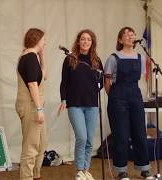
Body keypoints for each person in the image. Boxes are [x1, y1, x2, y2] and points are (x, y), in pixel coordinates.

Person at [104, 26, 154, 180]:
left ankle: (144, 168)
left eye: (131, 34)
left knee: (139, 132)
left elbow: (140, 77)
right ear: (120, 40)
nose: (129, 35)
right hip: (118, 97)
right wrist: (114, 97)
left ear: (134, 38)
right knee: (121, 134)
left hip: (135, 96)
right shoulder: (113, 58)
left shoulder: (141, 57)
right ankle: (121, 170)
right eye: (125, 34)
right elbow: (107, 81)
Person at [58, 29, 103, 180]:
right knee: (82, 137)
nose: (85, 42)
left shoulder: (96, 61)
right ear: (78, 41)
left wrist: (95, 85)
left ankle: (85, 170)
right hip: (75, 104)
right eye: (83, 39)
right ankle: (79, 170)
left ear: (92, 43)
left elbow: (101, 83)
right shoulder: (70, 59)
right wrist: (63, 100)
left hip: (92, 105)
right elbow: (64, 82)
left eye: (88, 39)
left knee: (90, 139)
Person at [15, 28, 47, 180]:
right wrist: (39, 109)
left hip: (35, 106)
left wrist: (42, 55)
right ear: (37, 40)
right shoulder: (29, 58)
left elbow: (44, 76)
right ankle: (26, 177)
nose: (44, 42)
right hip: (31, 106)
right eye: (43, 40)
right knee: (31, 147)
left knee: (41, 143)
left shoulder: (33, 57)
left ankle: (35, 175)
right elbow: (33, 84)